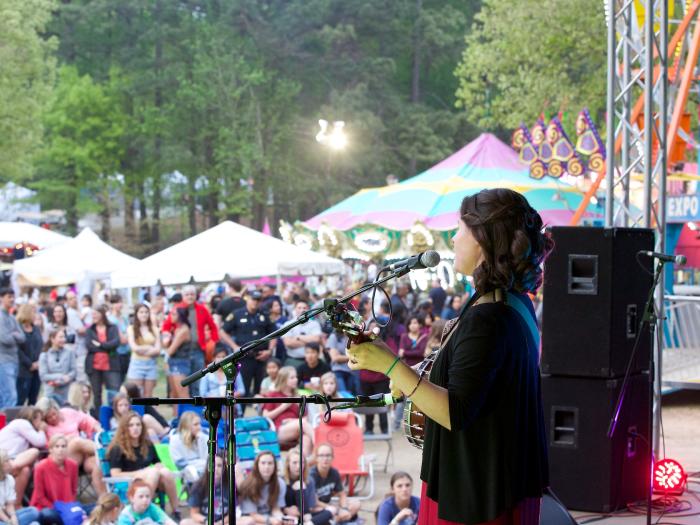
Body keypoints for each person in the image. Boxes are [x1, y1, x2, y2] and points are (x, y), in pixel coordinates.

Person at [347, 188, 551, 524]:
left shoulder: (489, 317)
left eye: (460, 229)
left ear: (484, 239)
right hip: (496, 483)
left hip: (476, 497)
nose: (453, 239)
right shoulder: (510, 302)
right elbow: (483, 383)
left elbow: (455, 410)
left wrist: (390, 365)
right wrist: (406, 374)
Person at [106, 412, 179, 510]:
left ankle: (175, 510)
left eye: (138, 424)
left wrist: (159, 466)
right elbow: (115, 474)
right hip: (128, 483)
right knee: (153, 472)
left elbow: (157, 462)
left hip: (151, 478)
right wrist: (142, 472)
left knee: (165, 472)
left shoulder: (147, 444)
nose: (135, 428)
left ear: (142, 427)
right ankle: (142, 510)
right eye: (131, 425)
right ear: (124, 428)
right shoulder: (117, 448)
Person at [36, 397, 105, 494]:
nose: (53, 418)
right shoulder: (43, 426)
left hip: (82, 454)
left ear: (57, 409)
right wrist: (66, 440)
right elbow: (46, 446)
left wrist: (97, 428)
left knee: (97, 465)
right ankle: (107, 450)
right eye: (49, 417)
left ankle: (106, 501)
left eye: (54, 414)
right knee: (76, 441)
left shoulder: (67, 413)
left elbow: (87, 420)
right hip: (62, 458)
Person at [162, 285, 219, 397]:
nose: (190, 297)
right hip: (181, 352)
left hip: (198, 350)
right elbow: (166, 326)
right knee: (181, 386)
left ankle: (197, 410)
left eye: (192, 294)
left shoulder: (202, 309)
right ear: (183, 296)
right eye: (187, 294)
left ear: (196, 295)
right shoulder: (177, 310)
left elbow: (213, 327)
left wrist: (213, 342)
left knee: (198, 382)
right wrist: (167, 336)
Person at [221, 290, 275, 396]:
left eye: (258, 300)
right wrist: (234, 346)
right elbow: (222, 331)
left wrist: (270, 350)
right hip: (244, 357)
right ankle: (242, 411)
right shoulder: (237, 314)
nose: (255, 302)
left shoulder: (265, 314)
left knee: (261, 389)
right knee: (243, 388)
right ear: (247, 299)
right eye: (253, 299)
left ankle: (261, 412)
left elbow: (274, 334)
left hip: (262, 356)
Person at [181, 455, 255, 525]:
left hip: (224, 522)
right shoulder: (198, 486)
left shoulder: (231, 485)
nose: (216, 468)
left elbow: (232, 513)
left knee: (249, 520)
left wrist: (220, 523)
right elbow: (194, 513)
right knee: (185, 523)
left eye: (219, 466)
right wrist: (207, 521)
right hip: (205, 522)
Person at [262, 367, 315, 457]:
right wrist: (284, 406)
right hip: (278, 430)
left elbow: (305, 417)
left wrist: (292, 421)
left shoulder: (298, 396)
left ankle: (303, 466)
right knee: (303, 424)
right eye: (292, 378)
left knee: (306, 439)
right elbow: (265, 417)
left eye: (296, 377)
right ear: (283, 379)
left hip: (298, 427)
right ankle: (319, 445)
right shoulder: (273, 394)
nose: (296, 380)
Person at [30, 434, 81, 525]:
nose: (60, 450)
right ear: (50, 449)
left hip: (67, 507)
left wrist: (67, 508)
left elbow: (74, 490)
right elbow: (39, 496)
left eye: (63, 446)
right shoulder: (40, 467)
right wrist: (57, 508)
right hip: (47, 507)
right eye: (56, 446)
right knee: (47, 514)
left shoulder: (73, 465)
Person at [0, 407, 46, 505]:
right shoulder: (22, 423)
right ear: (33, 418)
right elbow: (40, 442)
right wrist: (42, 430)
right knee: (34, 451)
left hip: (12, 460)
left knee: (25, 470)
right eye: (40, 419)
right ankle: (10, 467)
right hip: (3, 457)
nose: (42, 422)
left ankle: (16, 504)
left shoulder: (28, 432)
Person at [309, 444, 360, 524]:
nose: (325, 459)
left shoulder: (334, 472)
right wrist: (334, 509)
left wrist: (344, 508)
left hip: (329, 504)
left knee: (356, 503)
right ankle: (336, 519)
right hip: (316, 506)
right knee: (317, 509)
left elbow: (342, 494)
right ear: (316, 458)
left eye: (328, 455)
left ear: (332, 457)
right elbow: (314, 501)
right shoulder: (311, 475)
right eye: (321, 455)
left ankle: (335, 520)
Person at [85, 305, 122, 411]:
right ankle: (98, 416)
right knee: (97, 393)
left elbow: (115, 343)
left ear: (102, 314)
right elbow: (89, 346)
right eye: (92, 314)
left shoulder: (112, 328)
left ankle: (116, 413)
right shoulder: (90, 330)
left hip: (111, 364)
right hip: (94, 365)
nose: (94, 316)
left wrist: (100, 345)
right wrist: (106, 347)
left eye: (96, 314)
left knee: (114, 391)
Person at [283, 447, 331, 525]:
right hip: (288, 517)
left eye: (301, 462)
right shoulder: (281, 480)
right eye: (294, 463)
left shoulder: (309, 480)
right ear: (288, 464)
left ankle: (308, 523)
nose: (298, 466)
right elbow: (277, 506)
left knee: (328, 514)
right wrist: (285, 509)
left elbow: (311, 507)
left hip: (304, 514)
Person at [238, 451, 287, 525]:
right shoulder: (248, 485)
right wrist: (270, 520)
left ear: (275, 466)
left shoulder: (280, 483)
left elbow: (276, 509)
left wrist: (281, 518)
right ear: (257, 465)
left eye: (270, 463)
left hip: (270, 518)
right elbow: (252, 515)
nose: (267, 467)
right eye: (263, 463)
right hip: (252, 520)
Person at [126, 303, 161, 398]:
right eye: (141, 312)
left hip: (151, 364)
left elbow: (158, 349)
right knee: (136, 394)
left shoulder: (154, 329)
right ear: (136, 314)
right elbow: (134, 348)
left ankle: (147, 413)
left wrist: (143, 350)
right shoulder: (131, 329)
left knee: (148, 395)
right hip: (137, 364)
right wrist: (149, 348)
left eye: (146, 312)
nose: (144, 314)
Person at [0, 449, 40, 525]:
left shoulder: (9, 479)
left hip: (6, 514)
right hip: (2, 517)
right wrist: (8, 521)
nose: (10, 462)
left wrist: (13, 517)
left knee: (33, 512)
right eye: (7, 461)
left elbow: (9, 503)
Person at [0, 287, 24, 409]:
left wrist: (14, 334)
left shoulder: (12, 317)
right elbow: (5, 339)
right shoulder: (1, 317)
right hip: (3, 361)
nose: (12, 299)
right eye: (9, 297)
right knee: (10, 396)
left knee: (6, 396)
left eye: (12, 296)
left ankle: (2, 425)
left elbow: (22, 337)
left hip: (13, 360)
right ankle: (6, 427)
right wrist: (14, 334)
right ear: (1, 298)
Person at [38, 329, 77, 404]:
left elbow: (73, 371)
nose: (63, 339)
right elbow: (43, 376)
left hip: (66, 392)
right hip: (50, 392)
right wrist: (61, 377)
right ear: (52, 339)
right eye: (60, 337)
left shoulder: (70, 352)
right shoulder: (44, 355)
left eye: (64, 337)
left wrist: (68, 377)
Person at [280, 301, 322, 369]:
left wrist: (298, 337)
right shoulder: (287, 324)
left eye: (304, 308)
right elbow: (288, 343)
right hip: (293, 360)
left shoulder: (314, 324)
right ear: (295, 309)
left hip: (312, 362)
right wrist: (309, 341)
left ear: (308, 309)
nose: (302, 310)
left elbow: (316, 340)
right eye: (299, 308)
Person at [168, 412, 207, 482]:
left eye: (199, 424)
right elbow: (179, 463)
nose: (199, 427)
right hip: (187, 473)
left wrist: (201, 441)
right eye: (196, 424)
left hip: (205, 469)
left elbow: (209, 459)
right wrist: (202, 464)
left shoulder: (203, 437)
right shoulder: (175, 439)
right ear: (186, 426)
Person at [15, 304, 42, 406]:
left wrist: (38, 363)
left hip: (36, 369)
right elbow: (17, 350)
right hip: (23, 369)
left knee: (33, 399)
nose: (35, 315)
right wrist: (29, 364)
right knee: (20, 399)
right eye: (33, 312)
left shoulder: (36, 329)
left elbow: (40, 345)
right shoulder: (18, 329)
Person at [325, 329, 359, 395]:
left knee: (352, 396)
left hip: (352, 371)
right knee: (343, 394)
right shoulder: (333, 336)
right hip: (338, 371)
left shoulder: (354, 336)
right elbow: (335, 358)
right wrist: (353, 357)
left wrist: (341, 356)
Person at [64, 291, 88, 382]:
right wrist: (92, 327)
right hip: (78, 350)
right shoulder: (70, 313)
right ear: (67, 301)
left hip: (81, 349)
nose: (74, 300)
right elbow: (80, 330)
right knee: (81, 379)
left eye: (74, 297)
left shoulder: (76, 311)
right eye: (70, 299)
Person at [108, 295, 131, 384]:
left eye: (120, 302)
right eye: (116, 302)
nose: (119, 305)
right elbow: (122, 340)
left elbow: (130, 334)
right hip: (116, 354)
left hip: (126, 352)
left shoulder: (124, 318)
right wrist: (127, 337)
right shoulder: (111, 319)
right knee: (117, 381)